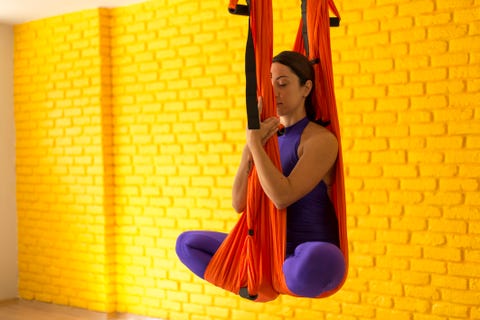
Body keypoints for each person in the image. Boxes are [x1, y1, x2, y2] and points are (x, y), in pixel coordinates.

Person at [176, 51, 345, 298]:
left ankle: (273, 277)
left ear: (306, 88)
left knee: (322, 258)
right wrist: (249, 151)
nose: (274, 91)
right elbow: (239, 203)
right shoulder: (266, 138)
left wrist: (255, 144)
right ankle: (257, 280)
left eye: (283, 83)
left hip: (302, 252)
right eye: (269, 83)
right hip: (265, 252)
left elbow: (282, 197)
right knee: (187, 244)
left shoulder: (320, 140)